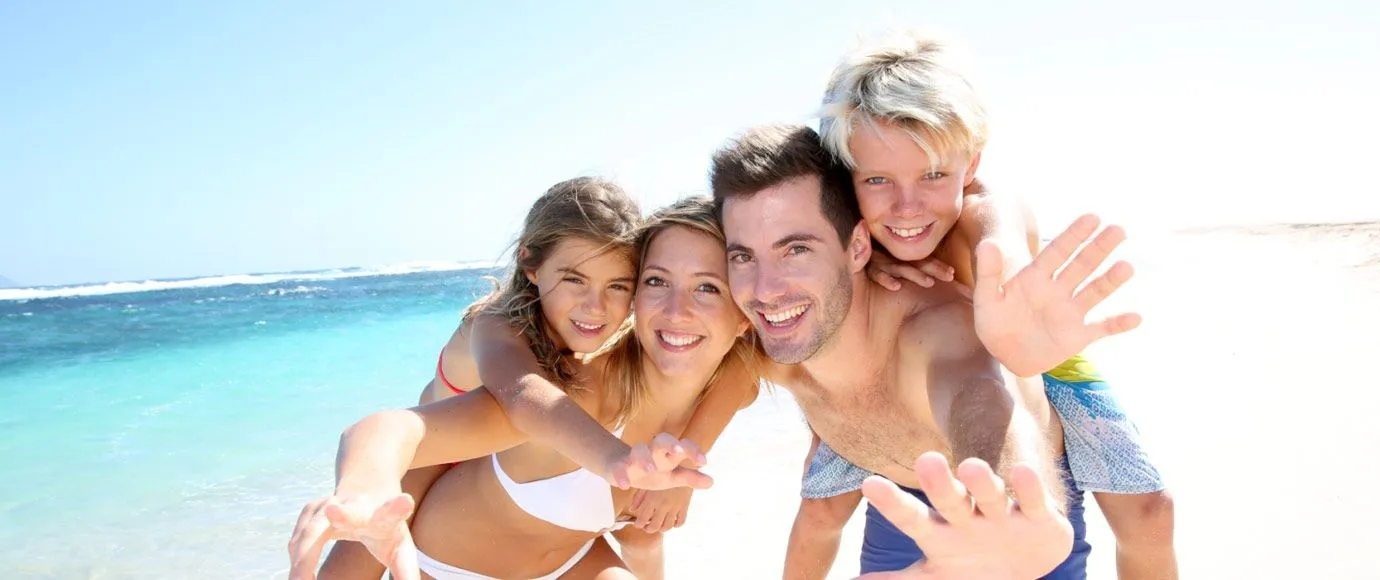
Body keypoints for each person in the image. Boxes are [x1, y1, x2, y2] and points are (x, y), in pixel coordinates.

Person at [781, 30, 1176, 579]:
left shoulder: (983, 208)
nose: (906, 205)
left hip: (1033, 351)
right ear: (849, 178)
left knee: (1151, 512)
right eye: (877, 179)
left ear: (971, 165)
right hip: (890, 367)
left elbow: (1000, 239)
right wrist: (869, 263)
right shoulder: (851, 230)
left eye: (935, 174)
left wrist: (1005, 297)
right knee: (820, 508)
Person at [709, 123, 1142, 578]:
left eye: (796, 249)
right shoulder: (762, 339)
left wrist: (1013, 509)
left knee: (1150, 513)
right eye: (743, 257)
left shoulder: (937, 333)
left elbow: (981, 395)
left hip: (1003, 532)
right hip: (904, 497)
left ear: (857, 246)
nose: (766, 289)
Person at [302, 192, 755, 580]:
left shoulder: (730, 370)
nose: (677, 310)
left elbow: (743, 374)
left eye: (709, 288)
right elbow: (395, 428)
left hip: (569, 560)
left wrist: (682, 472)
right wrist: (362, 486)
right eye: (657, 280)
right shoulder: (547, 377)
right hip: (447, 557)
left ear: (745, 313)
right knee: (366, 531)